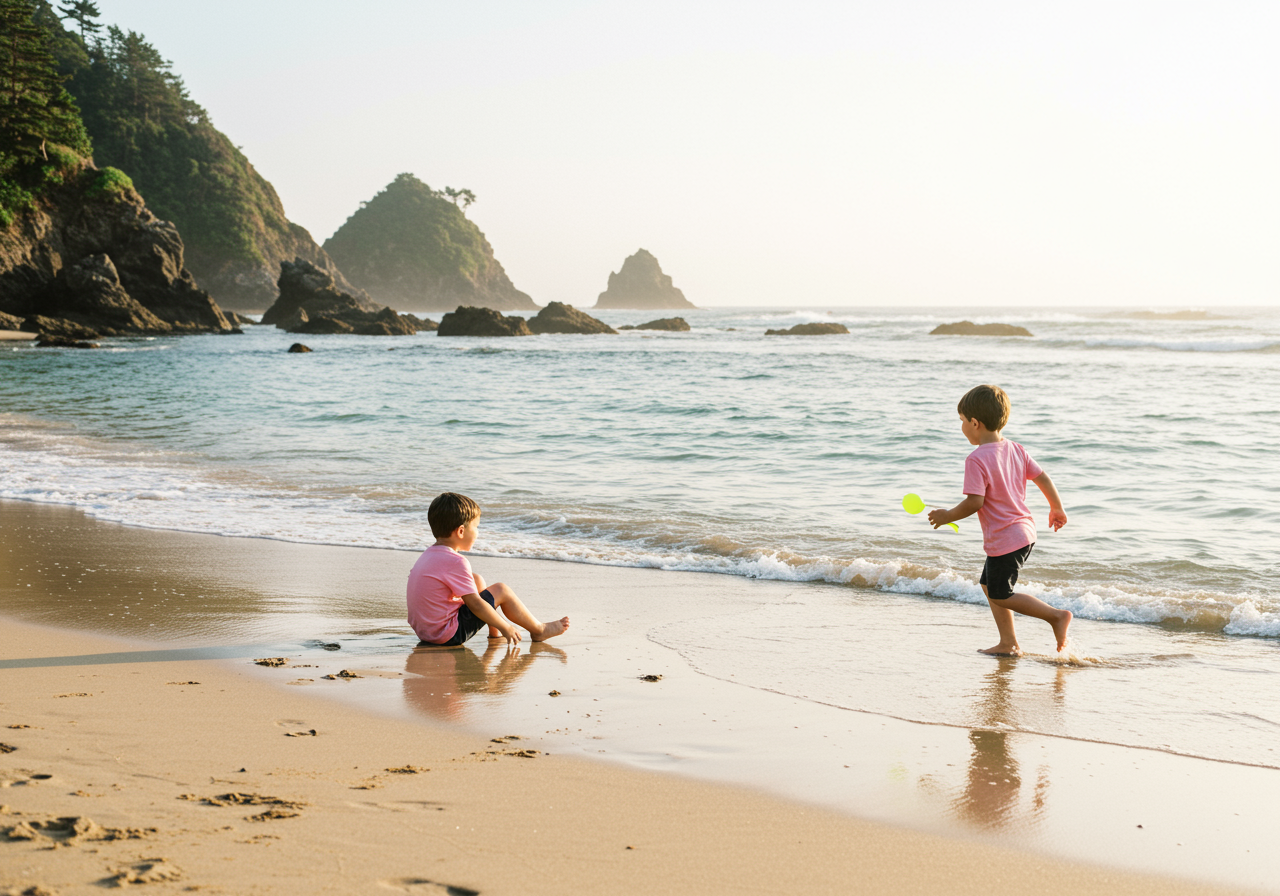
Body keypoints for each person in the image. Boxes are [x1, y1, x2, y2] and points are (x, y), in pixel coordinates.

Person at [927, 385, 1072, 655]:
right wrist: (1056, 508)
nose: (961, 428)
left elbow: (975, 502)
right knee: (989, 585)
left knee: (999, 593)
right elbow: (1042, 477)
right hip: (1023, 531)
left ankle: (1056, 617)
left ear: (974, 423)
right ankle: (1008, 643)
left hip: (1007, 536)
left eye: (961, 421)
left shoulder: (976, 459)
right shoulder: (1016, 449)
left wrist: (947, 516)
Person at [407, 492, 570, 647]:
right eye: (476, 527)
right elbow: (476, 605)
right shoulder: (456, 561)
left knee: (476, 579)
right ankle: (539, 630)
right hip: (447, 635)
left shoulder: (428, 555)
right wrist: (506, 626)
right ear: (461, 531)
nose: (477, 533)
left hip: (425, 632)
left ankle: (494, 632)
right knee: (501, 590)